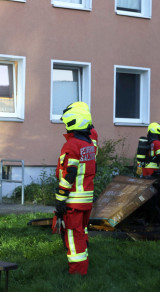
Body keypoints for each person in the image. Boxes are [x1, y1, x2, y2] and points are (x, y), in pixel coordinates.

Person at [55, 105, 96, 275]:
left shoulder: (72, 145)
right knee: (82, 233)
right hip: (86, 199)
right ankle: (84, 266)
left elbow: (69, 174)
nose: (65, 126)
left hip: (73, 200)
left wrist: (60, 197)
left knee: (73, 236)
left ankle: (77, 273)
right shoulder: (89, 144)